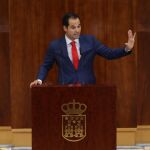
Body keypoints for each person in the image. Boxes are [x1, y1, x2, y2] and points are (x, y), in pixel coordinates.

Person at [30, 12, 136, 87]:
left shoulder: (91, 41)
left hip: (88, 89)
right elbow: (46, 65)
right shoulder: (55, 46)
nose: (77, 30)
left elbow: (109, 53)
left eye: (79, 26)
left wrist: (126, 49)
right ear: (65, 28)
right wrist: (39, 80)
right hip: (64, 90)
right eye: (73, 27)